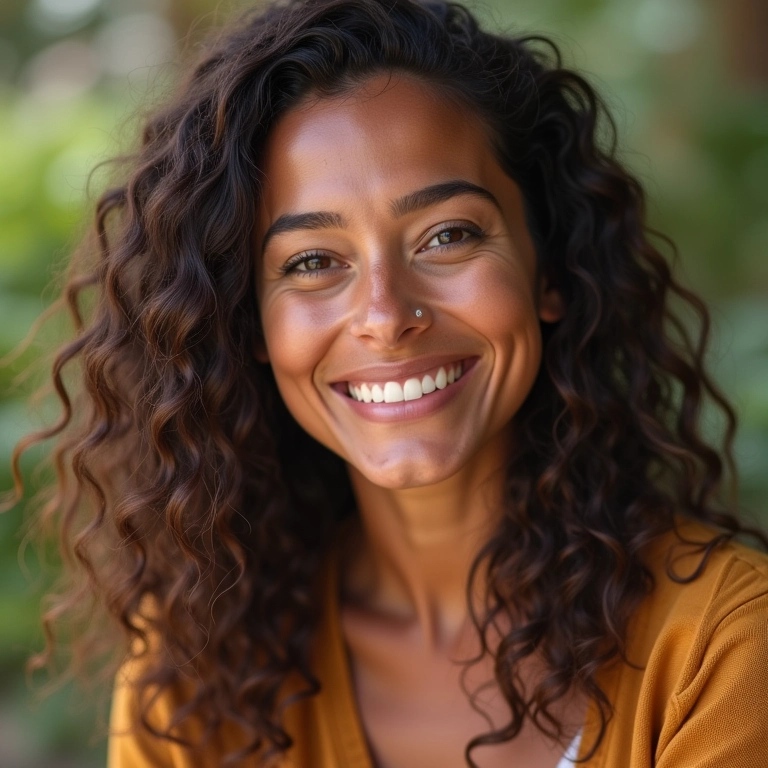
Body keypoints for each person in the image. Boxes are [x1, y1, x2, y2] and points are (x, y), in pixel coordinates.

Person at [12, 0, 768, 765]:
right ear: (251, 326)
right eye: (312, 261)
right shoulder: (196, 678)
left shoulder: (722, 651)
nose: (384, 315)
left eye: (448, 236)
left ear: (552, 269)